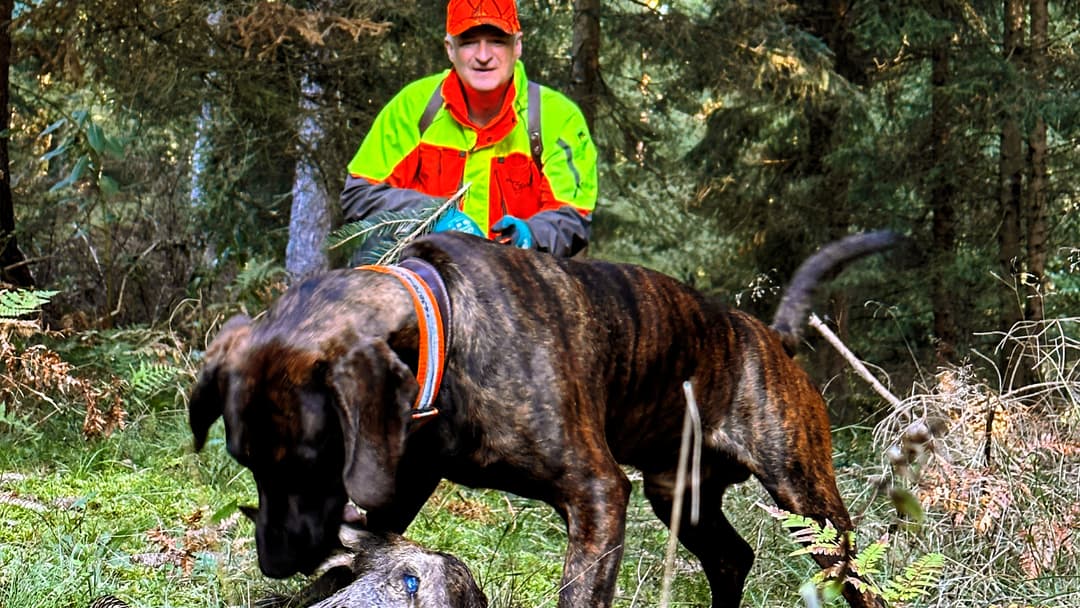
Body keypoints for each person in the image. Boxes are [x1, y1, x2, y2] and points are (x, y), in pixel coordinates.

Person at [341, 0, 598, 258]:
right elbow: (360, 193)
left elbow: (574, 215)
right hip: (424, 271)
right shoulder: (414, 107)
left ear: (517, 45)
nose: (483, 56)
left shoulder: (558, 118)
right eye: (468, 42)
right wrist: (433, 216)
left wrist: (531, 234)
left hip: (518, 278)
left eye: (497, 41)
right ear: (450, 49)